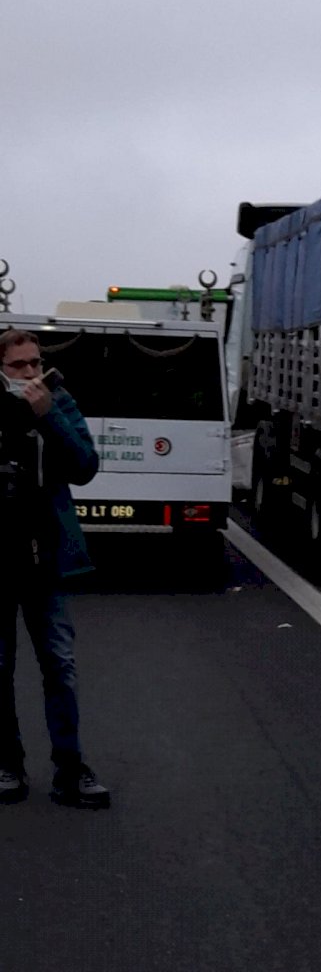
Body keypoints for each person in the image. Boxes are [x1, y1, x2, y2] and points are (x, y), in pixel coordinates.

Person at [0, 329, 110, 808]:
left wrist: (47, 419)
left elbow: (85, 465)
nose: (29, 372)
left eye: (34, 362)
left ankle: (71, 768)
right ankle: (7, 765)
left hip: (45, 556)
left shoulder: (57, 400)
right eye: (18, 365)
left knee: (59, 666)